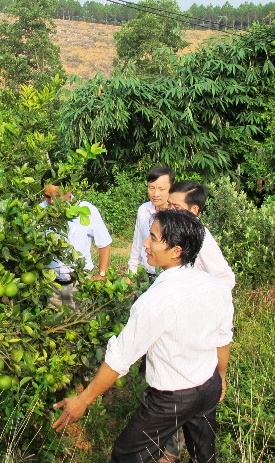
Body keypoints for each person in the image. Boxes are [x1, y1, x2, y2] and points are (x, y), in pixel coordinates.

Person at [53, 209, 234, 463]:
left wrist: (83, 400)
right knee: (204, 455)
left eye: (153, 238)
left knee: (126, 455)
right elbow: (222, 340)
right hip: (208, 386)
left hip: (171, 398)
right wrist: (221, 378)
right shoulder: (216, 287)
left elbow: (120, 359)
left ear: (176, 250)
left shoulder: (155, 302)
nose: (145, 244)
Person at [158, 181, 236, 462]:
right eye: (169, 205)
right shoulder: (175, 232)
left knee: (190, 397)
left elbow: (226, 279)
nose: (170, 210)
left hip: (195, 333)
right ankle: (171, 450)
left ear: (194, 210)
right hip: (178, 331)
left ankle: (182, 451)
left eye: (175, 207)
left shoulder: (200, 238)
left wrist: (201, 304)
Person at [41, 178, 112, 308]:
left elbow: (104, 242)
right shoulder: (39, 211)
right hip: (50, 285)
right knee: (51, 324)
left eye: (55, 197)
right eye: (47, 196)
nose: (51, 201)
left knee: (81, 323)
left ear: (69, 191)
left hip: (80, 282)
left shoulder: (85, 209)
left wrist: (102, 274)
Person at [128, 166, 174, 282]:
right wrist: (131, 274)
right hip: (146, 273)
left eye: (162, 189)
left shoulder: (177, 214)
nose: (156, 194)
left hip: (168, 276)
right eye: (151, 188)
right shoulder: (143, 210)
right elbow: (137, 244)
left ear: (171, 189)